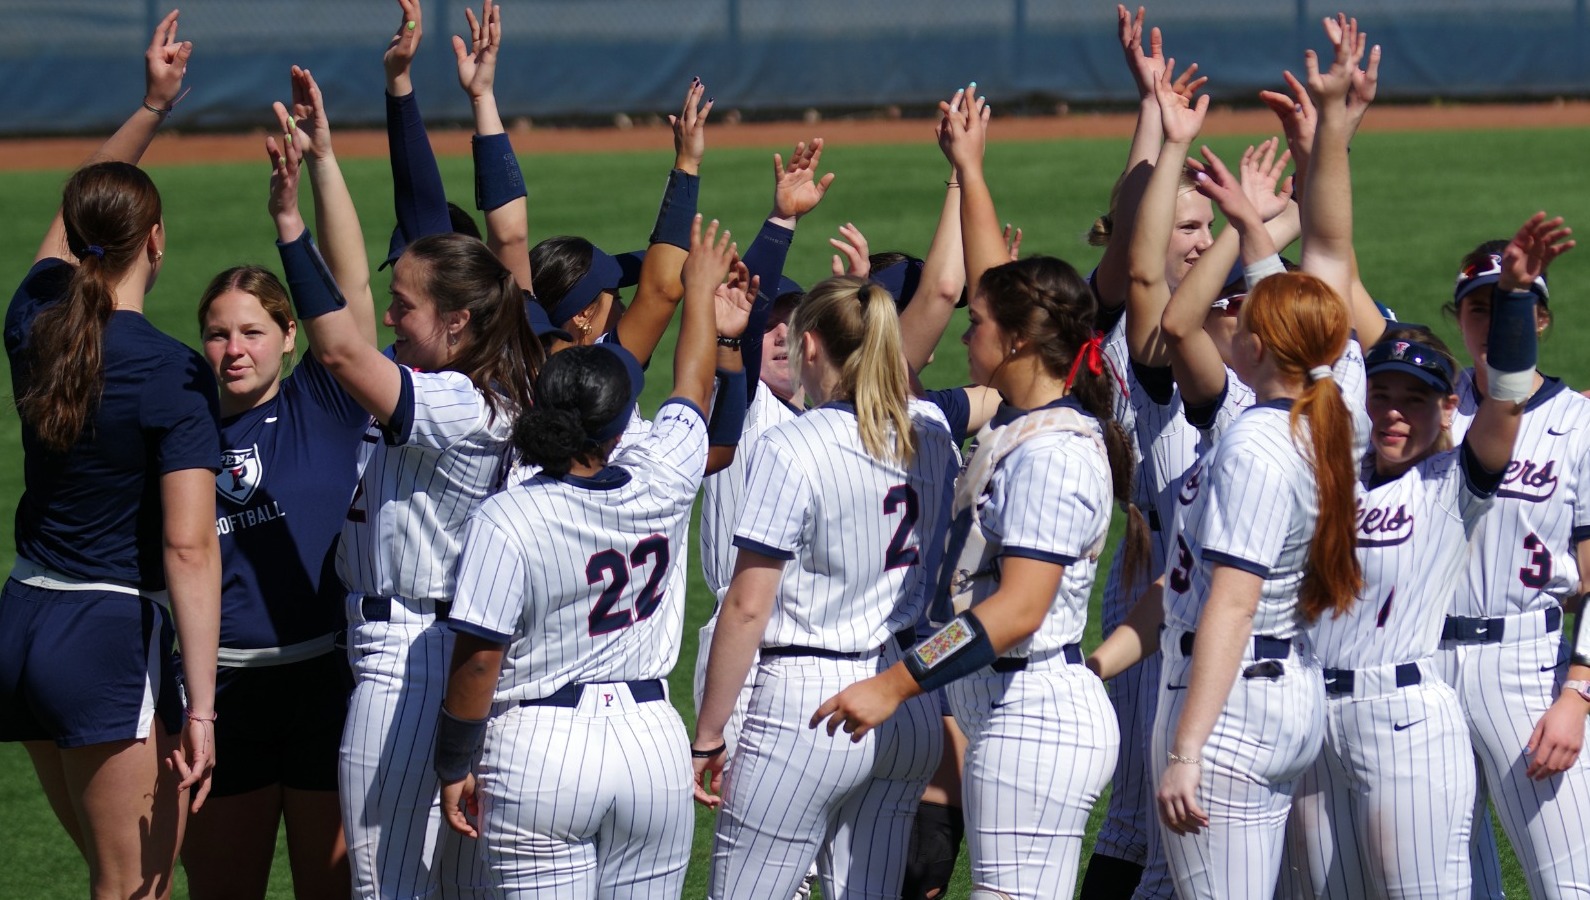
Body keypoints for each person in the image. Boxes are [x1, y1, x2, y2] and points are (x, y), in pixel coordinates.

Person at [812, 85, 1143, 900]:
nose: (966, 331)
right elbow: (1000, 281)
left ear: (1020, 342)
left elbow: (1017, 609)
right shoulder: (1027, 416)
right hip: (1012, 703)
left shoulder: (1054, 453)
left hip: (1033, 709)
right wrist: (967, 167)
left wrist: (892, 685)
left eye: (978, 325)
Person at [263, 83, 543, 899]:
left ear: (457, 319)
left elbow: (342, 351)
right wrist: (339, 147)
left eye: (404, 308)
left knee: (386, 885)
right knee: (448, 885)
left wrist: (288, 228)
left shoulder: (459, 404)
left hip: (412, 656)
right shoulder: (497, 372)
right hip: (445, 650)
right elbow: (420, 230)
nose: (388, 316)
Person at [433, 214, 747, 898]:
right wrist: (702, 299)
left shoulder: (510, 512)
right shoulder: (664, 474)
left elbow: (480, 657)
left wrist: (454, 760)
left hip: (539, 749)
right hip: (651, 744)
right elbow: (694, 388)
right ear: (615, 424)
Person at [0, 11, 219, 899]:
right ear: (155, 242)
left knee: (112, 878)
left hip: (23, 621)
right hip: (104, 638)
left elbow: (71, 221)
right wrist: (201, 706)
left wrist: (148, 109)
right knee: (136, 888)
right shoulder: (172, 373)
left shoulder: (36, 323)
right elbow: (189, 548)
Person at [692, 266, 960, 898]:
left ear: (809, 345)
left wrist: (709, 734)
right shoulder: (935, 437)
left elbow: (747, 607)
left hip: (808, 708)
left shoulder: (791, 445)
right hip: (904, 693)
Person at [178, 65, 372, 900]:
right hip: (220, 687)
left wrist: (321, 163)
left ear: (290, 337)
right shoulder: (181, 420)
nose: (234, 350)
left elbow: (352, 287)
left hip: (327, 677)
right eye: (218, 335)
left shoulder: (326, 398)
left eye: (253, 331)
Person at [1439, 222, 1590, 898]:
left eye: (1513, 307)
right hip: (1424, 670)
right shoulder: (1427, 412)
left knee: (1569, 882)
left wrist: (1579, 694)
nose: (1493, 322)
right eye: (1480, 306)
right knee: (1448, 883)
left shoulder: (1580, 424)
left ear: (1542, 318)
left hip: (1527, 671)